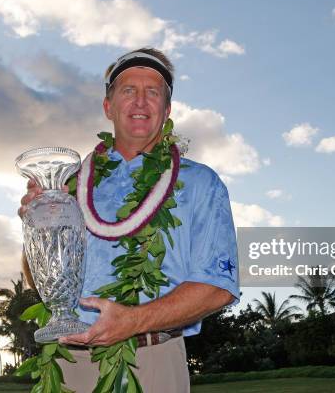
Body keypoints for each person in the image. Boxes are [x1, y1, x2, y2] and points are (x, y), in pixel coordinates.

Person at [18, 47, 239, 392]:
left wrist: (133, 320)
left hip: (150, 360)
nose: (140, 101)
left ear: (166, 110)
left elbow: (217, 288)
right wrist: (36, 230)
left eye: (152, 92)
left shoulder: (200, 183)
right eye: (128, 90)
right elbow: (38, 278)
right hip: (66, 361)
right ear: (108, 107)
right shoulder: (71, 185)